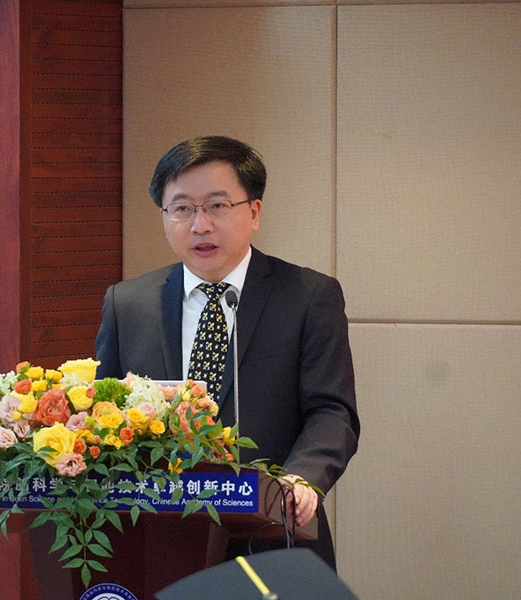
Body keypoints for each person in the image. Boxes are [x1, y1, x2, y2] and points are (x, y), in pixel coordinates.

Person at [94, 135, 360, 569]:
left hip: (273, 533)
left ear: (254, 211)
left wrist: (302, 478)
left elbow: (332, 412)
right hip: (156, 540)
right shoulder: (128, 304)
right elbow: (104, 414)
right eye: (182, 208)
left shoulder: (307, 296)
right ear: (164, 216)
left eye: (217, 206)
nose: (200, 225)